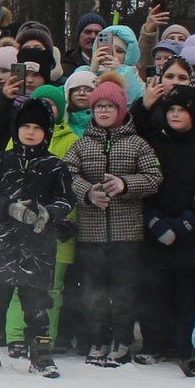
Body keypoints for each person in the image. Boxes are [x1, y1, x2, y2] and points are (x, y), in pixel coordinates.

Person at [0, 97, 71, 375]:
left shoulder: (55, 166)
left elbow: (66, 199)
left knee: (37, 305)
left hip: (38, 247)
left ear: (46, 132)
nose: (31, 132)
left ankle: (41, 356)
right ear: (16, 129)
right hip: (1, 244)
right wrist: (8, 207)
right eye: (26, 126)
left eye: (38, 127)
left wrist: (49, 214)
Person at [61, 77, 159, 365]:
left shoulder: (137, 143)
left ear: (122, 110)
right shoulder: (81, 145)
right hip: (91, 233)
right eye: (98, 107)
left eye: (109, 106)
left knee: (124, 290)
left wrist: (125, 185)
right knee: (93, 291)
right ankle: (98, 338)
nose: (103, 112)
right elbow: (66, 174)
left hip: (126, 233)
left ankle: (123, 339)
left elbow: (154, 176)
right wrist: (87, 192)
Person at [137, 89, 195, 362]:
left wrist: (187, 222)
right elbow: (145, 183)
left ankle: (186, 346)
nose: (175, 115)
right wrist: (153, 220)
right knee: (154, 291)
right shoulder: (154, 144)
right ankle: (154, 344)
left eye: (181, 110)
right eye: (171, 110)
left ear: (193, 114)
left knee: (186, 295)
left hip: (191, 235)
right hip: (156, 232)